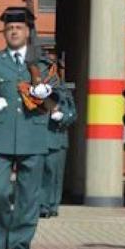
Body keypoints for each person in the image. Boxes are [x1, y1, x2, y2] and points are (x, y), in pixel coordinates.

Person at [0, 7, 60, 249]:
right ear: (4, 32)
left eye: (19, 28)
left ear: (28, 32)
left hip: (33, 136)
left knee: (28, 198)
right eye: (10, 28)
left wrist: (46, 92)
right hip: (2, 136)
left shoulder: (43, 64)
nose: (14, 32)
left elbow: (56, 102)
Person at [39, 44, 76, 219]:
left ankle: (52, 204)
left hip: (56, 136)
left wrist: (62, 117)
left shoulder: (63, 91)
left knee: (53, 173)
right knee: (38, 172)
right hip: (38, 136)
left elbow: (72, 114)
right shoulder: (33, 89)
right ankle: (41, 204)